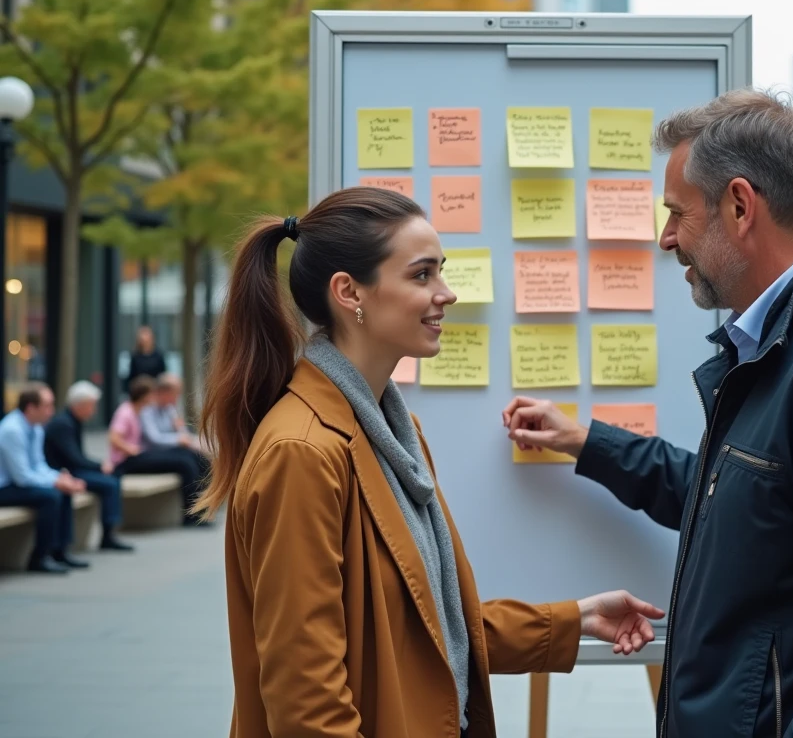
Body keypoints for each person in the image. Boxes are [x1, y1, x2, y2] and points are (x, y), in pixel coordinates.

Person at [502, 90, 793, 737]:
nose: (665, 239)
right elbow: (739, 505)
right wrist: (587, 441)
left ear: (740, 206)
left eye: (677, 214)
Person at [192, 191, 662, 738]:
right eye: (421, 276)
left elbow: (430, 623)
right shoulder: (302, 453)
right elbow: (306, 707)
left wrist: (576, 619)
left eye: (441, 272)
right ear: (349, 293)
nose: (447, 293)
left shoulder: (393, 431)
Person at [0, 384, 89, 573]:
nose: (52, 411)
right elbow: (22, 476)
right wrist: (56, 482)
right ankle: (40, 557)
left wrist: (62, 479)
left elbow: (39, 465)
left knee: (62, 491)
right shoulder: (12, 430)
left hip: (17, 483)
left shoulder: (37, 428)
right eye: (47, 406)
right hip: (4, 487)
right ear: (31, 408)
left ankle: (60, 551)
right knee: (51, 497)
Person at [43, 381, 134, 551]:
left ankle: (108, 532)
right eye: (92, 405)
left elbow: (76, 458)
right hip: (64, 472)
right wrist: (100, 466)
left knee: (112, 479)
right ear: (80, 405)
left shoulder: (71, 421)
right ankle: (105, 536)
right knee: (110, 483)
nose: (95, 410)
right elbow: (74, 459)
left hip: (69, 471)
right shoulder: (64, 424)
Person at [108, 375, 206, 525]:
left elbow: (179, 430)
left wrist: (188, 438)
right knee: (184, 462)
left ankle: (201, 509)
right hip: (128, 459)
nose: (154, 396)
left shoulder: (140, 409)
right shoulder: (128, 411)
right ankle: (191, 515)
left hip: (140, 454)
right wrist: (130, 448)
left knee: (195, 457)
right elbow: (114, 437)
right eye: (152, 393)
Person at [124, 325, 166, 393]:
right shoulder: (135, 356)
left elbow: (162, 374)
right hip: (139, 390)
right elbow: (132, 375)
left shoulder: (158, 355)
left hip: (154, 390)